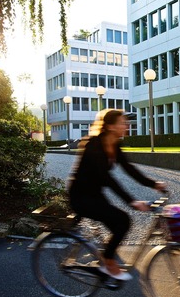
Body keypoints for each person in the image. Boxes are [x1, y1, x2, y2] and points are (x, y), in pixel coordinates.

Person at [68, 109, 166, 280]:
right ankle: (107, 263)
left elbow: (129, 169)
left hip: (95, 195)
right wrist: (132, 201)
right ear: (111, 126)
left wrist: (153, 184)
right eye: (122, 123)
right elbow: (107, 179)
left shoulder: (115, 144)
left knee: (118, 227)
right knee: (123, 221)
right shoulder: (94, 145)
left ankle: (105, 260)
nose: (126, 126)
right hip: (80, 197)